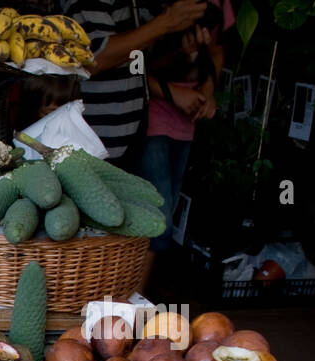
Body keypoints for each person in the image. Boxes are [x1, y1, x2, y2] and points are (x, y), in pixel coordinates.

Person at [60, 0, 210, 165]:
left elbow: (137, 65)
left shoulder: (135, 6)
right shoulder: (86, 4)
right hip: (88, 146)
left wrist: (182, 51)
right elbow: (93, 59)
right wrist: (166, 22)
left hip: (128, 143)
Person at [139, 1, 232, 251]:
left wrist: (207, 92)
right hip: (151, 116)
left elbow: (217, 51)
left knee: (163, 215)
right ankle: (126, 288)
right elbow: (131, 64)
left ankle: (134, 289)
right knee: (159, 224)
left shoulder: (219, 5)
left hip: (187, 120)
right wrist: (173, 93)